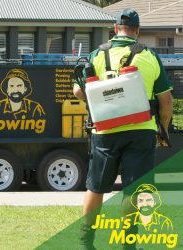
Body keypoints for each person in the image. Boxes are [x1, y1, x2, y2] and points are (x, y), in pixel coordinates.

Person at [73, 8, 173, 250]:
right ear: (137, 31)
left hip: (105, 131)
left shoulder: (96, 55)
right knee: (134, 190)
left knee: (95, 187)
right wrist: (164, 129)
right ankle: (129, 242)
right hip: (141, 130)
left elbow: (78, 91)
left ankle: (86, 240)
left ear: (115, 29)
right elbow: (166, 101)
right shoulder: (149, 56)